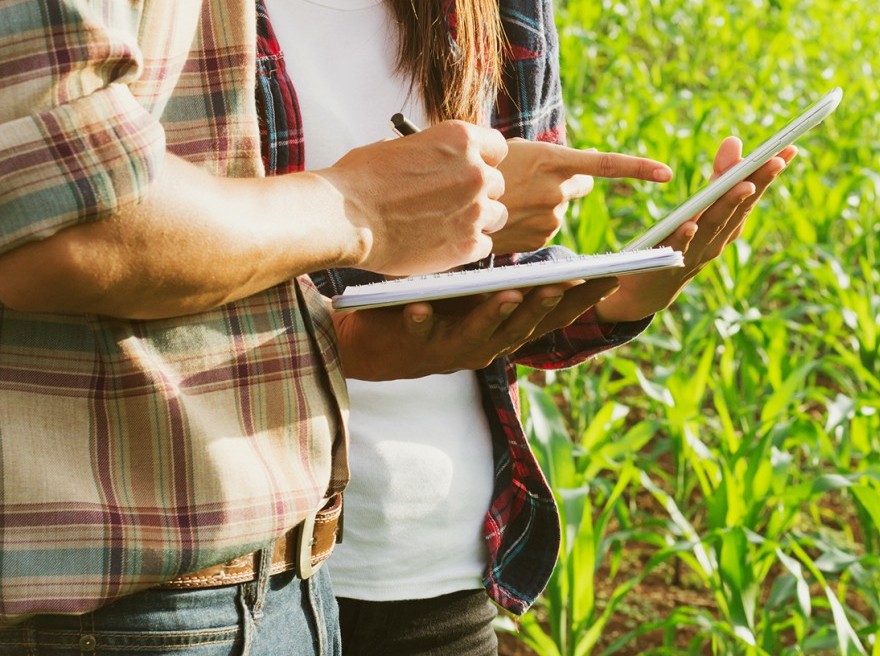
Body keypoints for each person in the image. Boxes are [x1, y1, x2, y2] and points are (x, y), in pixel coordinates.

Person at [0, 0, 614, 652]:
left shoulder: (501, 13)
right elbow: (68, 223)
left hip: (343, 557)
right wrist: (359, 208)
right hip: (159, 572)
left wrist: (615, 296)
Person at [252, 1, 796, 654]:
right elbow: (157, 266)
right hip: (239, 566)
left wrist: (625, 295)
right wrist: (390, 234)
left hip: (436, 558)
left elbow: (494, 302)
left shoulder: (507, 11)